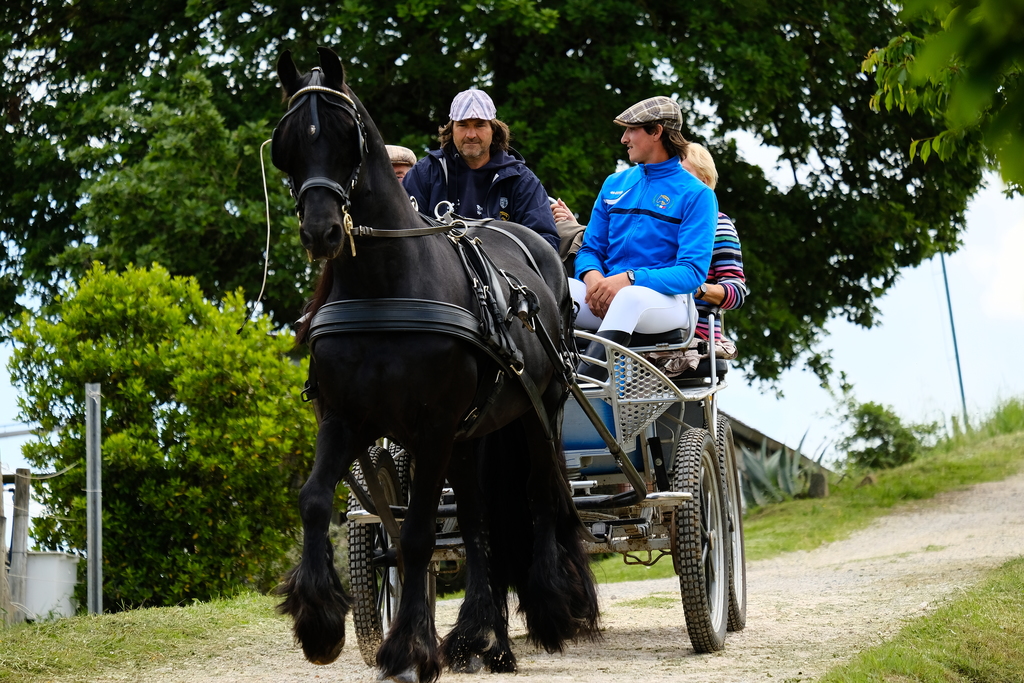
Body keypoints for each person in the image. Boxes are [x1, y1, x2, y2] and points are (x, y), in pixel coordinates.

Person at [572, 96, 717, 381]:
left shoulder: (698, 194)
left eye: (631, 130)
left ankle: (582, 383)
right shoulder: (614, 183)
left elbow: (692, 273)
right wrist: (593, 280)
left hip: (668, 306)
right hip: (606, 295)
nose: (624, 139)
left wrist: (628, 279)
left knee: (630, 297)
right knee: (551, 288)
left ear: (656, 131)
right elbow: (590, 249)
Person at [401, 89, 560, 250]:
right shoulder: (425, 173)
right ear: (451, 129)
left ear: (493, 129)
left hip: (502, 271)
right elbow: (402, 233)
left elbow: (545, 244)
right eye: (462, 125)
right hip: (436, 271)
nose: (471, 134)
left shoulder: (521, 180)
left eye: (479, 125)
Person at [648, 143, 749, 377]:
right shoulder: (653, 221)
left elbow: (735, 292)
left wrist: (689, 286)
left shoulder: (719, 225)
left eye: (683, 173)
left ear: (703, 180)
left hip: (689, 333)